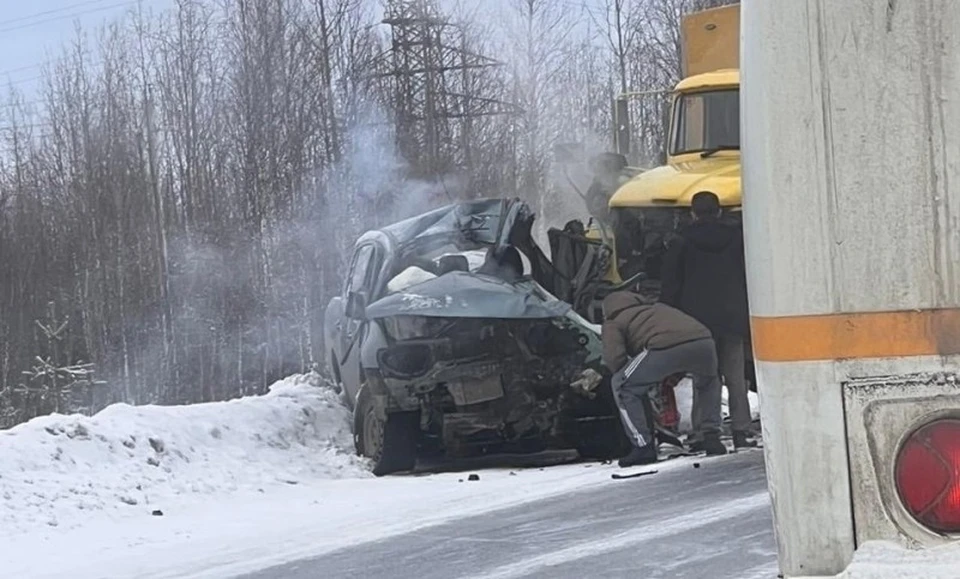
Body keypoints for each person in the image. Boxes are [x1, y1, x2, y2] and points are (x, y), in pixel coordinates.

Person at [660, 191, 757, 449]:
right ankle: (741, 430)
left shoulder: (681, 242)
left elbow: (671, 284)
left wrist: (670, 318)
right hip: (733, 317)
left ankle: (705, 432)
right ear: (719, 211)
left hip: (697, 322)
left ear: (692, 213)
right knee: (736, 377)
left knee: (705, 376)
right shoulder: (738, 239)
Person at [601, 290, 727, 467]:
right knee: (708, 383)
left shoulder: (613, 320)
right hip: (703, 341)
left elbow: (614, 358)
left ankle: (642, 446)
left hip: (663, 347)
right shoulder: (658, 308)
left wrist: (629, 372)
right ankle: (711, 437)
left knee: (622, 385)